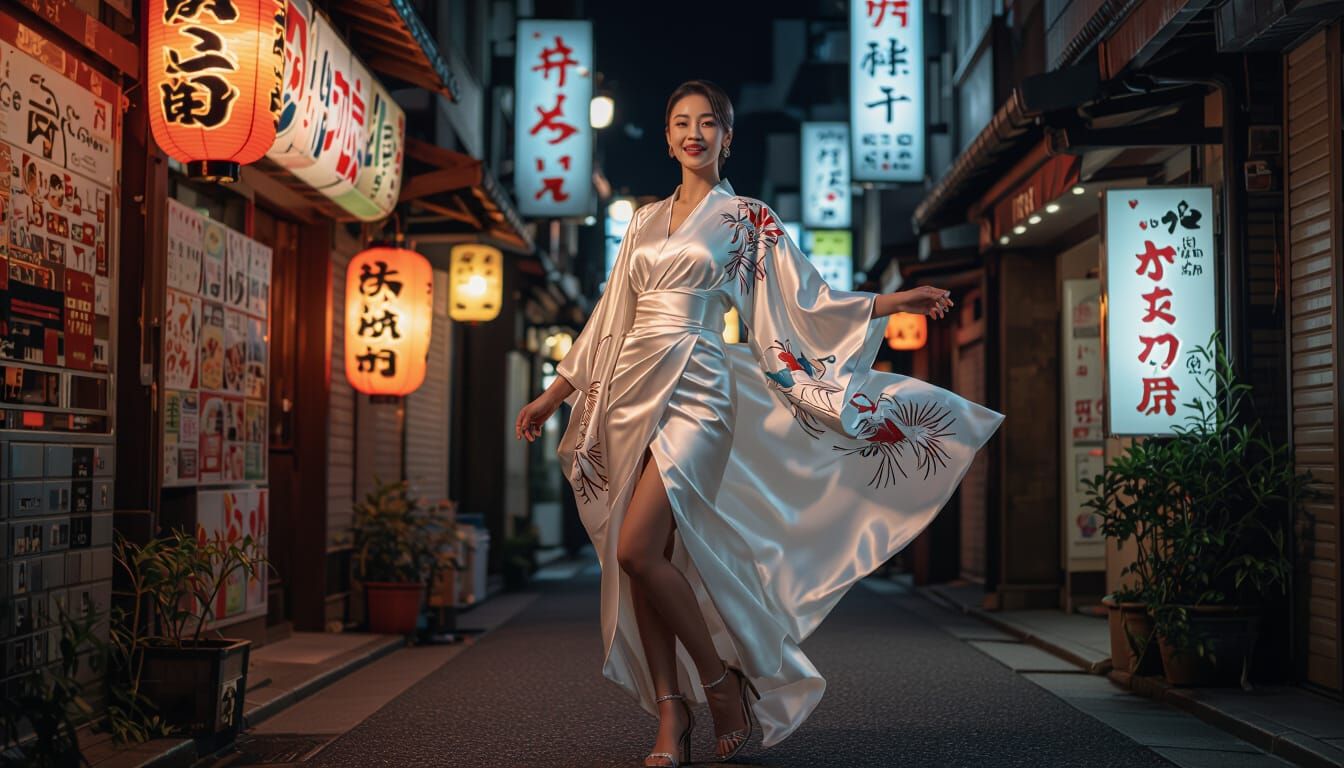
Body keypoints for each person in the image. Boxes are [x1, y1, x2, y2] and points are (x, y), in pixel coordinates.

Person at [515, 80, 1004, 767]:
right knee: (639, 563)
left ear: (727, 136)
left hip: (699, 391)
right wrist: (553, 393)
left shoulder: (747, 217)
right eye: (681, 122)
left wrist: (893, 301)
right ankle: (669, 719)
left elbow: (806, 301)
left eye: (708, 122)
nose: (694, 133)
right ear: (666, 135)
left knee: (634, 548)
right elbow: (608, 319)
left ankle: (719, 686)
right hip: (628, 391)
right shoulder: (644, 221)